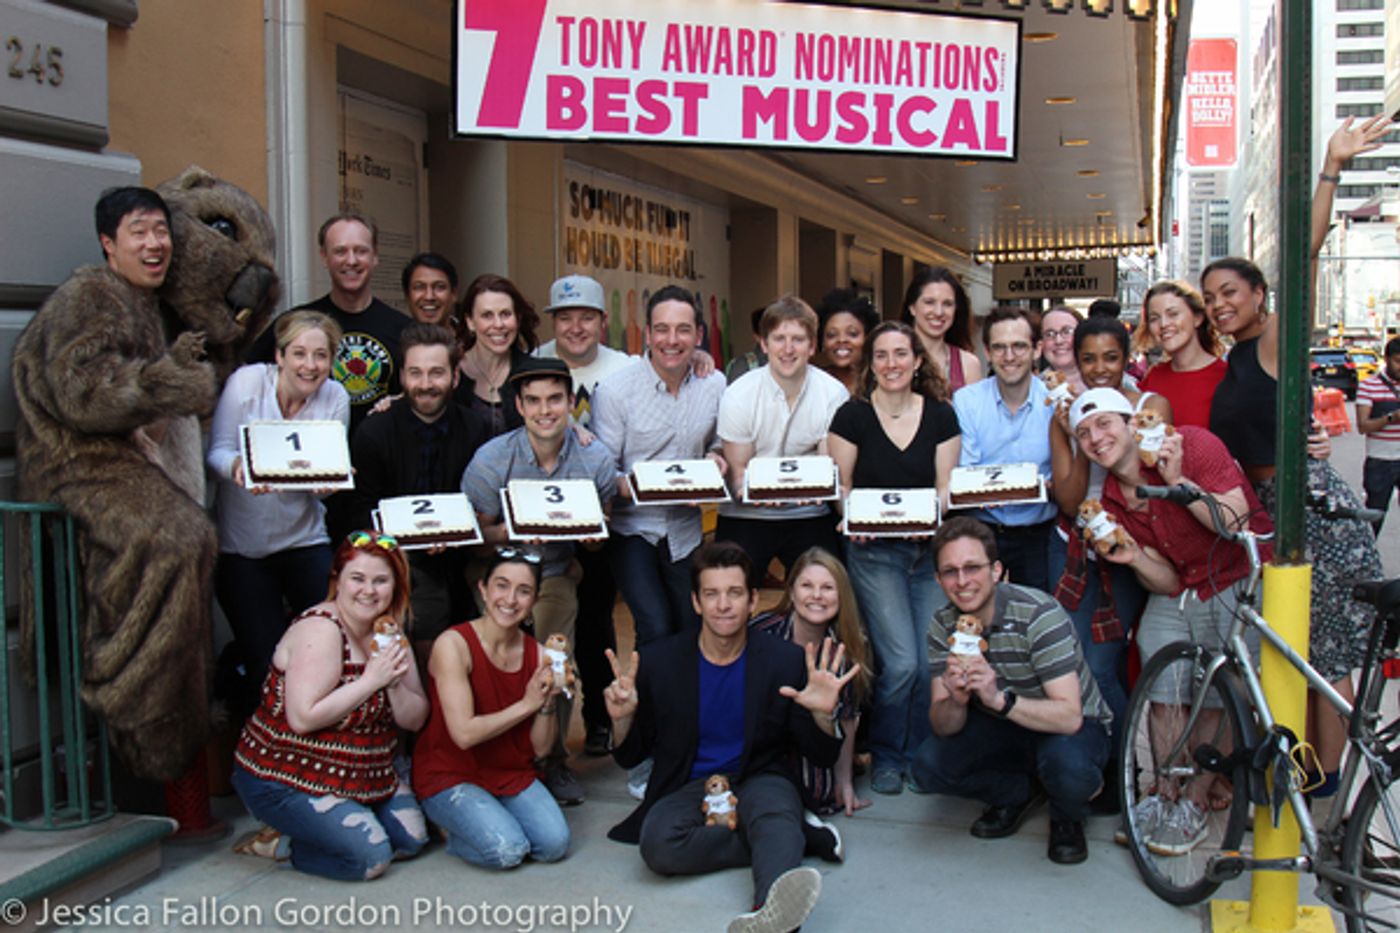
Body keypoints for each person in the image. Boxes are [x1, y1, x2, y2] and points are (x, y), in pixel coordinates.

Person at [605, 541, 856, 933]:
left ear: (753, 599)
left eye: (735, 593)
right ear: (696, 602)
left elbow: (821, 754)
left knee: (774, 815)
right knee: (657, 845)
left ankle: (772, 915)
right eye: (712, 594)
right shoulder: (660, 662)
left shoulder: (784, 660)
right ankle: (792, 837)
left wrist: (824, 716)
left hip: (759, 775)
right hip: (688, 782)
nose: (724, 605)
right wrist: (622, 720)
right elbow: (630, 755)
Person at [1070, 388, 1272, 850]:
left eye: (1104, 424)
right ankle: (1165, 790)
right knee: (1161, 673)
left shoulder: (1193, 444)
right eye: (1084, 433)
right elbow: (1164, 581)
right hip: (1183, 585)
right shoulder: (1113, 502)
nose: (1096, 438)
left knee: (1226, 688)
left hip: (1240, 574)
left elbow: (1235, 524)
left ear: (1131, 422)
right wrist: (1134, 556)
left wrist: (1178, 481)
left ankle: (1197, 799)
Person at [911, 517, 1112, 865]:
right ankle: (1016, 792)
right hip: (1004, 725)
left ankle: (1067, 815)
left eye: (972, 568)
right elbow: (944, 725)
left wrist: (997, 699)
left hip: (1073, 726)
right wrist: (956, 701)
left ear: (997, 570)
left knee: (1070, 770)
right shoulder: (943, 626)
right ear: (938, 580)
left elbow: (1069, 716)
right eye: (950, 571)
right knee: (928, 767)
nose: (962, 582)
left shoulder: (1038, 614)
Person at [462, 356, 617, 806]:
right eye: (533, 401)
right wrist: (512, 532)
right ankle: (496, 751)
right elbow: (475, 539)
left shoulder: (595, 457)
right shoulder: (493, 458)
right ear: (519, 405)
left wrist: (590, 539)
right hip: (498, 571)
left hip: (553, 571)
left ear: (571, 402)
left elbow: (598, 539)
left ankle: (552, 760)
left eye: (554, 399)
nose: (545, 410)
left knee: (554, 653)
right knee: (497, 650)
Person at [231, 531, 429, 878]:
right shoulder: (321, 630)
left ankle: (335, 824)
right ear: (337, 581)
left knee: (411, 840)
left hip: (364, 772)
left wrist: (393, 683)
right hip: (288, 776)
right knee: (371, 859)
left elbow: (415, 720)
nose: (369, 590)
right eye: (358, 579)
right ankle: (283, 842)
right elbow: (303, 718)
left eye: (381, 581)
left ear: (395, 587)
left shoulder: (390, 633)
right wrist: (372, 680)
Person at [827, 321, 960, 795]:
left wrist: (932, 516)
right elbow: (839, 486)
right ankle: (886, 753)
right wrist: (855, 519)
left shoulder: (942, 415)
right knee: (900, 661)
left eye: (901, 354)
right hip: (873, 553)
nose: (891, 364)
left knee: (928, 662)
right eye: (881, 356)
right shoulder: (852, 417)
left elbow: (945, 488)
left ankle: (922, 755)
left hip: (928, 555)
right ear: (871, 365)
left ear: (918, 361)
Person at [207, 310, 350, 715]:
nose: (310, 366)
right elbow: (216, 453)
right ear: (280, 355)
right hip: (244, 549)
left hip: (304, 540)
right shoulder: (247, 384)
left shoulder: (335, 397)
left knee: (331, 643)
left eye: (320, 355)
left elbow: (323, 476)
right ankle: (259, 761)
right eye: (300, 353)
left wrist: (327, 485)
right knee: (266, 659)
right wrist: (238, 468)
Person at [1046, 317, 1164, 796]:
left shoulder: (1146, 406)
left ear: (1126, 357)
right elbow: (1071, 502)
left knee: (1102, 662)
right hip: (1075, 547)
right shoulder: (1064, 412)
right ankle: (1098, 762)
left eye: (1110, 357)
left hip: (1129, 546)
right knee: (1075, 662)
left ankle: (1123, 770)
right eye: (1088, 358)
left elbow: (1151, 484)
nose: (1099, 369)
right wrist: (1072, 432)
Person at [412, 548, 571, 869]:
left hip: (509, 771)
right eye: (501, 585)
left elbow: (540, 750)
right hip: (451, 773)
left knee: (554, 845)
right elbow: (464, 734)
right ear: (482, 589)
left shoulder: (539, 654)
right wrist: (527, 703)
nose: (510, 599)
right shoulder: (453, 644)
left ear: (534, 601)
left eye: (523, 591)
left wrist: (547, 700)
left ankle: (483, 820)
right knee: (508, 850)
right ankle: (446, 827)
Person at [345, 323, 490, 664]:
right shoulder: (374, 431)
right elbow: (356, 510)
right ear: (402, 379)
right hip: (390, 558)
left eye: (437, 373)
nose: (425, 385)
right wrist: (404, 539)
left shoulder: (474, 429)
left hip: (461, 556)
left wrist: (453, 532)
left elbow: (484, 501)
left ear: (456, 377)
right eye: (416, 373)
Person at [715, 296, 848, 585]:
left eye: (798, 339)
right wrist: (755, 492)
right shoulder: (739, 395)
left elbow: (828, 466)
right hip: (747, 513)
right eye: (779, 339)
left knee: (831, 587)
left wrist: (818, 489)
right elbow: (739, 475)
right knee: (727, 593)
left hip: (809, 510)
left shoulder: (833, 393)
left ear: (813, 346)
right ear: (764, 344)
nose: (788, 349)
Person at [250, 213, 407, 435]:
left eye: (361, 251)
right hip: (308, 461)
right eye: (340, 251)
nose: (351, 260)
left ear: (375, 256)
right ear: (324, 257)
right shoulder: (295, 325)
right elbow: (251, 381)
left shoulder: (403, 329)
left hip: (381, 462)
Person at [749, 548, 873, 817]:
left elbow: (848, 720)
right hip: (763, 755)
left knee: (816, 798)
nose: (817, 595)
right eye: (807, 585)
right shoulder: (761, 632)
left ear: (842, 596)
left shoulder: (849, 649)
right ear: (791, 592)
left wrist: (845, 782)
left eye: (828, 587)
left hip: (816, 757)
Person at [952, 306, 1056, 590]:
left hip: (1039, 535)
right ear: (987, 351)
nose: (1009, 357)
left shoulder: (1056, 402)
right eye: (999, 347)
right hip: (981, 530)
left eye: (1019, 346)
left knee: (1037, 618)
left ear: (1037, 349)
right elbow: (966, 470)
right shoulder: (967, 401)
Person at [454, 273, 540, 436]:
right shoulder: (449, 371)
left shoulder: (534, 372)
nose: (498, 324)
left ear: (518, 319)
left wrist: (573, 429)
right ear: (470, 322)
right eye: (487, 315)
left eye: (506, 314)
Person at [1137, 281, 1225, 429]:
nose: (1163, 324)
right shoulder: (1153, 377)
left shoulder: (1224, 376)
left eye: (1173, 314)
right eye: (1154, 318)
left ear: (1197, 318)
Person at [900, 267, 984, 393]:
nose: (939, 312)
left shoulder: (968, 364)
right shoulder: (890, 358)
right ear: (912, 307)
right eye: (929, 302)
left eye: (947, 304)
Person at [1355, 336, 1400, 533]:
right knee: (1374, 515)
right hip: (1380, 461)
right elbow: (1363, 426)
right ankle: (1366, 558)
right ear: (1387, 359)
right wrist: (1391, 418)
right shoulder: (1368, 386)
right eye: (1398, 361)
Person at [815, 288, 880, 395]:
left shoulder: (881, 382)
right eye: (832, 335)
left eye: (852, 334)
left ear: (868, 338)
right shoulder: (814, 383)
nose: (841, 340)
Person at [401, 252, 458, 328]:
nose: (429, 297)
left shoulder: (472, 337)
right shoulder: (394, 337)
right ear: (407, 295)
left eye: (439, 287)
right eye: (419, 287)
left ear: (454, 294)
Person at [1039, 305, 1084, 394]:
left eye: (1067, 332)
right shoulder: (1032, 389)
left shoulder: (1104, 381)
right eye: (1049, 334)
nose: (1058, 341)